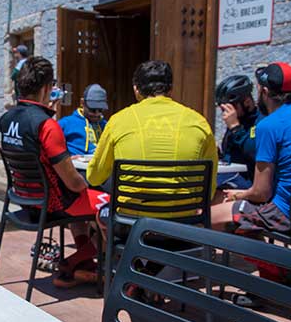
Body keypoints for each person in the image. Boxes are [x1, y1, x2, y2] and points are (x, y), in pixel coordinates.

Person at [0, 56, 110, 288]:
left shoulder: (5, 119)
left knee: (83, 208)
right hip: (53, 204)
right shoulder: (47, 125)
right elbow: (73, 184)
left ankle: (85, 263)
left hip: (25, 200)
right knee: (110, 206)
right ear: (48, 88)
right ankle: (79, 263)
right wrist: (89, 184)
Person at [211, 62, 291, 234]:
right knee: (237, 212)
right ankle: (259, 258)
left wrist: (238, 195)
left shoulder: (269, 125)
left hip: (286, 215)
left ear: (264, 92)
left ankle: (245, 259)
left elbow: (261, 193)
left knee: (204, 216)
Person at [87, 60, 218, 219]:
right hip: (183, 223)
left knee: (100, 216)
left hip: (132, 222)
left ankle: (110, 244)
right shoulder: (199, 123)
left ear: (136, 89)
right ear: (170, 89)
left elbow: (94, 177)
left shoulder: (118, 121)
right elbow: (209, 190)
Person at [215, 74, 262, 189]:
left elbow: (254, 154)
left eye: (230, 108)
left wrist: (236, 128)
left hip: (247, 182)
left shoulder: (261, 122)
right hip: (227, 176)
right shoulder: (238, 119)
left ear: (246, 102)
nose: (225, 113)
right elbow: (231, 155)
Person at [57, 84, 108, 157]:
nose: (96, 114)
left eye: (100, 110)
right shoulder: (66, 123)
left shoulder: (105, 125)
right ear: (82, 103)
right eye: (92, 110)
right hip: (75, 165)